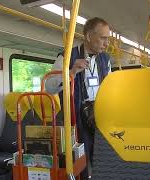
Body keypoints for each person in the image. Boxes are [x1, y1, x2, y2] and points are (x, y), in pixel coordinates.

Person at [45, 17, 111, 179]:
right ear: (89, 36)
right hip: (76, 119)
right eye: (103, 38)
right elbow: (50, 87)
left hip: (99, 116)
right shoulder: (67, 56)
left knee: (102, 159)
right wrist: (72, 72)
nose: (106, 43)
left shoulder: (105, 59)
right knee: (80, 161)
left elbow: (109, 87)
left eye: (108, 39)